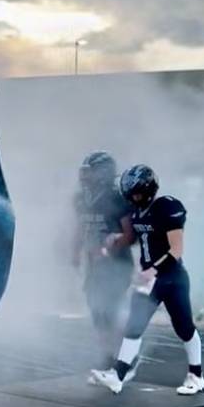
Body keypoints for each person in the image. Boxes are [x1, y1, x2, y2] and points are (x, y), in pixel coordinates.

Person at [90, 164, 204, 396]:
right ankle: (117, 375)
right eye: (130, 194)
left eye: (137, 193)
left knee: (184, 328)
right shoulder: (137, 212)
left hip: (172, 278)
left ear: (149, 189)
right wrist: (115, 240)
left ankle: (196, 375)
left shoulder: (167, 207)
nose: (134, 198)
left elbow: (176, 248)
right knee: (135, 324)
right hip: (149, 279)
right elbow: (138, 238)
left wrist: (153, 269)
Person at [72, 152, 135, 376]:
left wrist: (107, 249)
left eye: (89, 171)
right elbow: (80, 227)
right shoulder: (81, 199)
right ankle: (109, 356)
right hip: (94, 267)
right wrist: (76, 251)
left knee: (109, 309)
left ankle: (122, 357)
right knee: (97, 311)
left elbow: (130, 234)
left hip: (116, 264)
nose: (84, 175)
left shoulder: (117, 200)